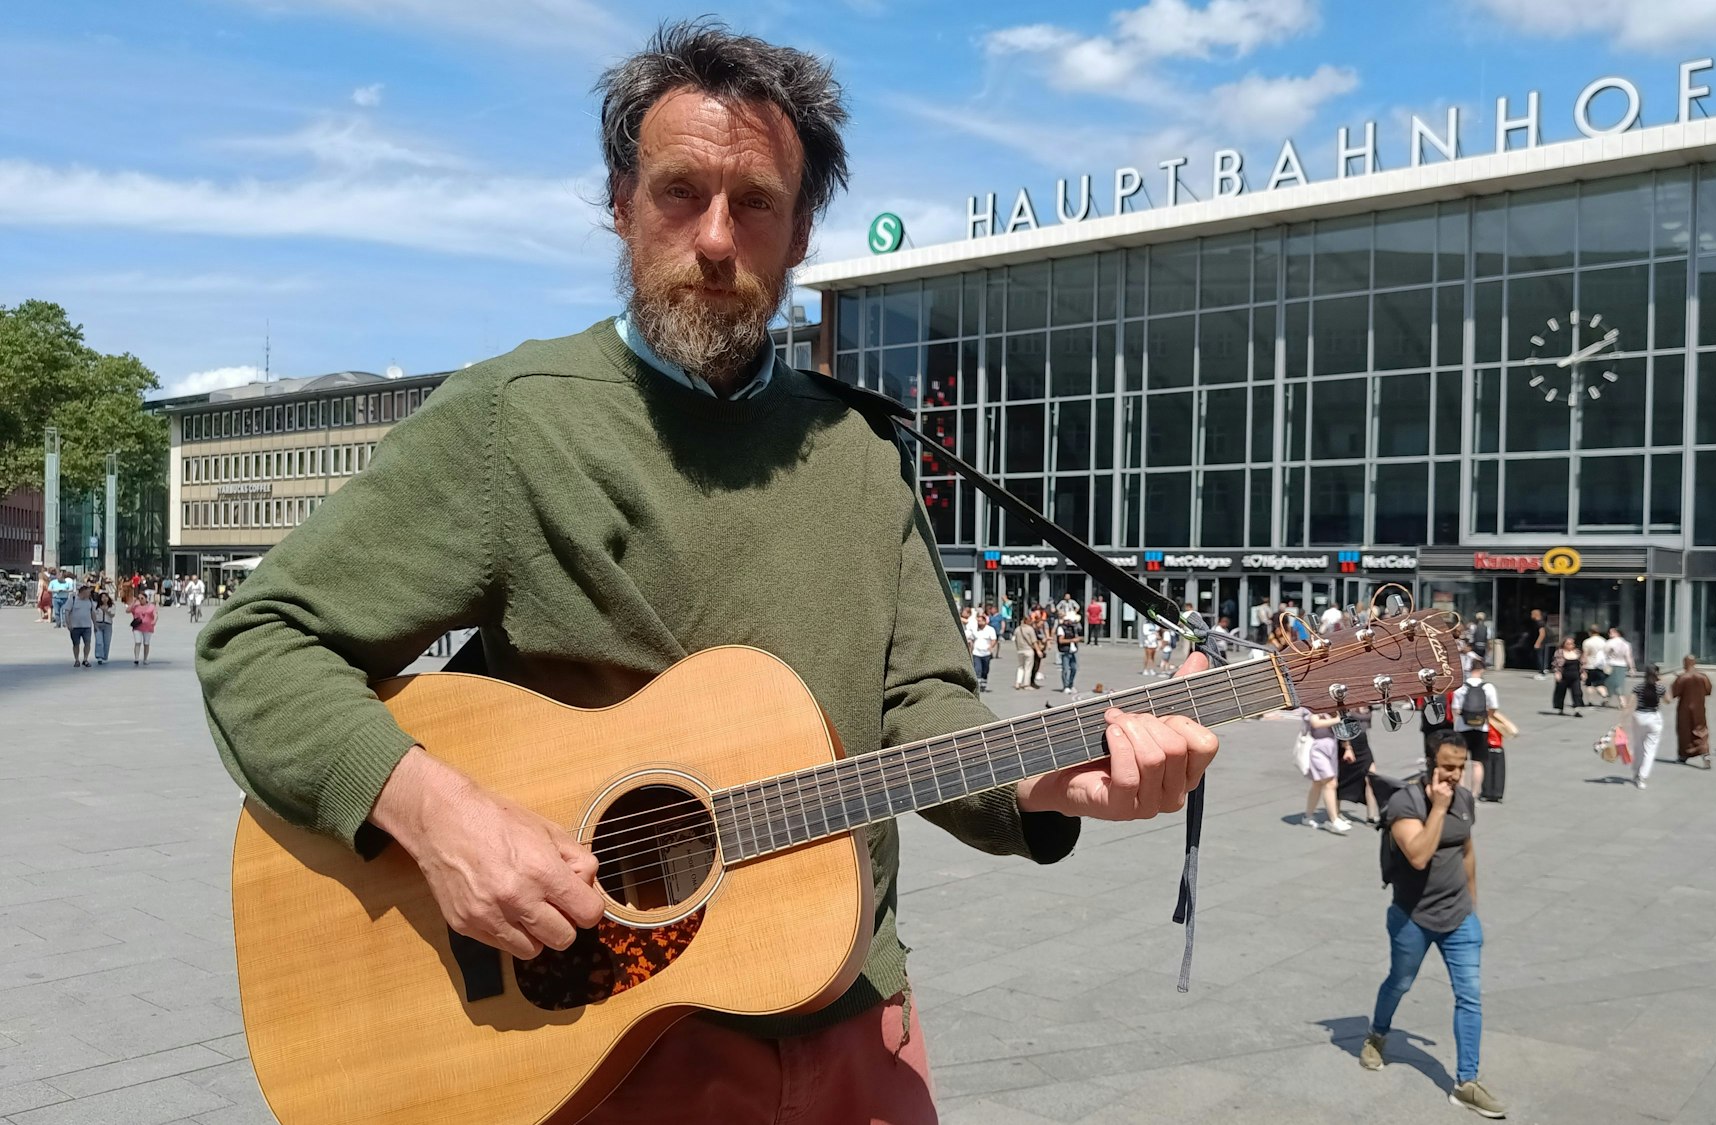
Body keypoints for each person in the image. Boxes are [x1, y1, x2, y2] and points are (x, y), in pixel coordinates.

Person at [195, 24, 1224, 1123]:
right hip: (598, 1046)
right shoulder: (512, 421)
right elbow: (255, 644)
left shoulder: (859, 450)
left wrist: (1041, 778)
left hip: (852, 1021)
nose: (716, 238)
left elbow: (918, 705)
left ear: (802, 233)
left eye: (756, 203)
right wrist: (439, 816)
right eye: (680, 193)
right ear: (621, 200)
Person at [1360, 734, 1504, 1119]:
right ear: (1430, 764)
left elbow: (1466, 850)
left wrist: (1472, 904)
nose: (1456, 776)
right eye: (1448, 767)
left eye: (1460, 767)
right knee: (1400, 982)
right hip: (1412, 918)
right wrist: (1438, 807)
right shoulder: (1404, 803)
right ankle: (1377, 1034)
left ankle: (1465, 1083)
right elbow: (1420, 856)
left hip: (1459, 918)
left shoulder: (1464, 799)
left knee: (1470, 996)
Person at [1451, 659, 1507, 803]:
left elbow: (1456, 709)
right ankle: (1475, 793)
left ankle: (1461, 793)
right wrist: (1484, 717)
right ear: (1482, 670)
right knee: (1478, 763)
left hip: (1463, 728)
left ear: (1469, 669)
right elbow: (1493, 707)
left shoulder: (1460, 687)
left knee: (1461, 764)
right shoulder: (1488, 687)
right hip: (1481, 728)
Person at [1299, 709, 1352, 835]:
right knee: (1330, 783)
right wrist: (1337, 719)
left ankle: (1308, 815)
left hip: (1331, 748)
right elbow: (1315, 723)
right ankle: (1334, 820)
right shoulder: (1310, 708)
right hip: (1317, 748)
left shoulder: (1332, 708)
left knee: (1317, 783)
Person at [1337, 704, 1381, 825]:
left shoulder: (1368, 704)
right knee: (1343, 780)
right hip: (1350, 745)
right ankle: (1336, 813)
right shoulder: (1348, 705)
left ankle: (1371, 816)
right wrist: (1347, 747)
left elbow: (1367, 725)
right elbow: (1341, 724)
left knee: (1371, 778)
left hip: (1363, 744)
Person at [1670, 655, 1713, 769]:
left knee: (1684, 731)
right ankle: (1705, 753)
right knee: (1701, 730)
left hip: (1684, 709)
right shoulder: (1703, 677)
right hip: (1699, 708)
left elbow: (1674, 693)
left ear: (1685, 663)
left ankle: (1683, 755)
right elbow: (1708, 691)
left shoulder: (1682, 678)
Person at [1629, 664, 1665, 789]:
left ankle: (1635, 772)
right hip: (1653, 718)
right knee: (1650, 749)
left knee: (1638, 746)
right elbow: (1668, 700)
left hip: (1639, 717)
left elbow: (1630, 705)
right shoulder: (1660, 688)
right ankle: (1642, 777)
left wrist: (1621, 721)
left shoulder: (1638, 687)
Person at [1550, 637, 1585, 717]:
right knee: (1561, 692)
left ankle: (1577, 710)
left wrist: (1583, 673)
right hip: (1564, 675)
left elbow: (1582, 664)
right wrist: (1557, 673)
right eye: (1568, 644)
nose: (1570, 645)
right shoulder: (1559, 652)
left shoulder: (1577, 652)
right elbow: (1555, 664)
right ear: (1564, 645)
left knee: (1577, 692)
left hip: (1575, 675)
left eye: (1572, 644)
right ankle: (1560, 708)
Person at [62, 584, 95, 666]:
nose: (89, 594)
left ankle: (85, 659)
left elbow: (92, 613)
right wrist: (68, 623)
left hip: (87, 626)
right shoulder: (72, 600)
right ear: (82, 592)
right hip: (75, 627)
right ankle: (76, 659)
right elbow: (67, 612)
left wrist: (95, 624)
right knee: (76, 644)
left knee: (87, 643)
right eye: (88, 593)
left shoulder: (90, 601)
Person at [1605, 627, 1634, 712]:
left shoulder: (1609, 643)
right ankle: (1612, 699)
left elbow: (1605, 653)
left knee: (1609, 682)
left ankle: (1620, 700)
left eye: (1611, 632)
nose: (1609, 634)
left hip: (1611, 664)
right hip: (1622, 665)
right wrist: (1632, 668)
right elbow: (1629, 657)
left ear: (1617, 633)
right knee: (1620, 683)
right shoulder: (1626, 644)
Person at [968, 612, 998, 691]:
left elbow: (994, 639)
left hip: (986, 653)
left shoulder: (990, 629)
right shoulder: (975, 630)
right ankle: (978, 687)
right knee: (978, 670)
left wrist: (991, 647)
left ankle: (983, 685)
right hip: (976, 653)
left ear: (985, 621)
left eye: (980, 621)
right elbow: (971, 639)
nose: (979, 623)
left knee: (985, 670)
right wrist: (970, 647)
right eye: (978, 621)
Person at [1581, 624, 1609, 707]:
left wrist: (1582, 665)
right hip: (1600, 665)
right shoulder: (1604, 641)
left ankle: (1590, 701)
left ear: (1590, 632)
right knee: (1600, 683)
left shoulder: (1587, 642)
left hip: (1590, 665)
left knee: (1589, 684)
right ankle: (1604, 695)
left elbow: (1585, 654)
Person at [1055, 613, 1082, 695]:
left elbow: (1078, 632)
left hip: (1072, 650)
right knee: (1065, 669)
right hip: (1065, 651)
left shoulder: (1073, 627)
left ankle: (1071, 685)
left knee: (1074, 668)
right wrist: (1073, 640)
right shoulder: (1061, 628)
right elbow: (1061, 640)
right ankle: (1066, 686)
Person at [1011, 612, 1038, 691]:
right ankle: (1026, 684)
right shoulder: (1030, 629)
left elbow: (1015, 640)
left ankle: (1018, 682)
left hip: (1020, 650)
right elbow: (1034, 641)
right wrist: (1038, 651)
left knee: (1020, 667)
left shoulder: (1017, 629)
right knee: (1028, 668)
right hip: (1028, 650)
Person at [129, 593, 156, 665]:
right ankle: (136, 658)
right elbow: (128, 610)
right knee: (137, 642)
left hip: (148, 627)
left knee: (146, 643)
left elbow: (155, 615)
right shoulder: (136, 606)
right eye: (139, 598)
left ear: (146, 598)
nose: (140, 600)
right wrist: (133, 602)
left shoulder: (151, 606)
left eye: (142, 598)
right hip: (137, 627)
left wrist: (154, 621)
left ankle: (145, 659)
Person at [90, 589, 116, 666]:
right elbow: (93, 614)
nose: (104, 598)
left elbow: (112, 615)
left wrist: (106, 610)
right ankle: (99, 656)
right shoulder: (96, 605)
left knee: (107, 642)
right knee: (99, 641)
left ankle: (105, 657)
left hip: (108, 625)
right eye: (102, 597)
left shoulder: (112, 605)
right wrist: (94, 624)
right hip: (98, 624)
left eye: (106, 597)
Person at [1530, 608, 1548, 680]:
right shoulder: (1541, 622)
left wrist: (1537, 643)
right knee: (1540, 657)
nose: (1531, 616)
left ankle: (1542, 673)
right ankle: (1543, 670)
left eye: (1532, 614)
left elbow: (1542, 634)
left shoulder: (1539, 623)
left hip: (1540, 643)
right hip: (1542, 643)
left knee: (1539, 657)